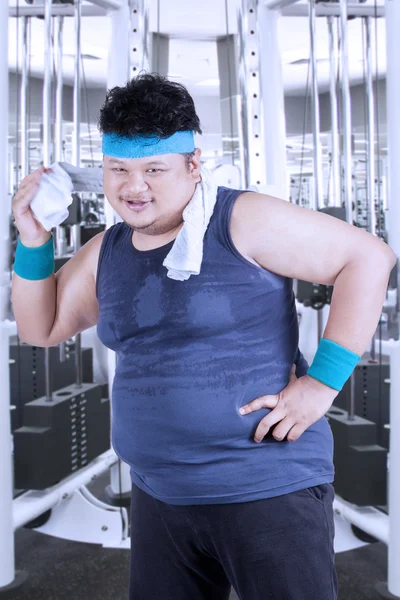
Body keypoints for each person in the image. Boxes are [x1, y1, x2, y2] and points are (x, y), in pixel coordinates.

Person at [11, 73, 396, 600]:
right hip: (159, 496)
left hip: (266, 493)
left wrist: (321, 386)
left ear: (193, 165)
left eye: (153, 169)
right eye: (118, 169)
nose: (133, 187)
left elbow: (369, 258)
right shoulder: (108, 249)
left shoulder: (241, 218)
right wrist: (33, 241)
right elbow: (42, 326)